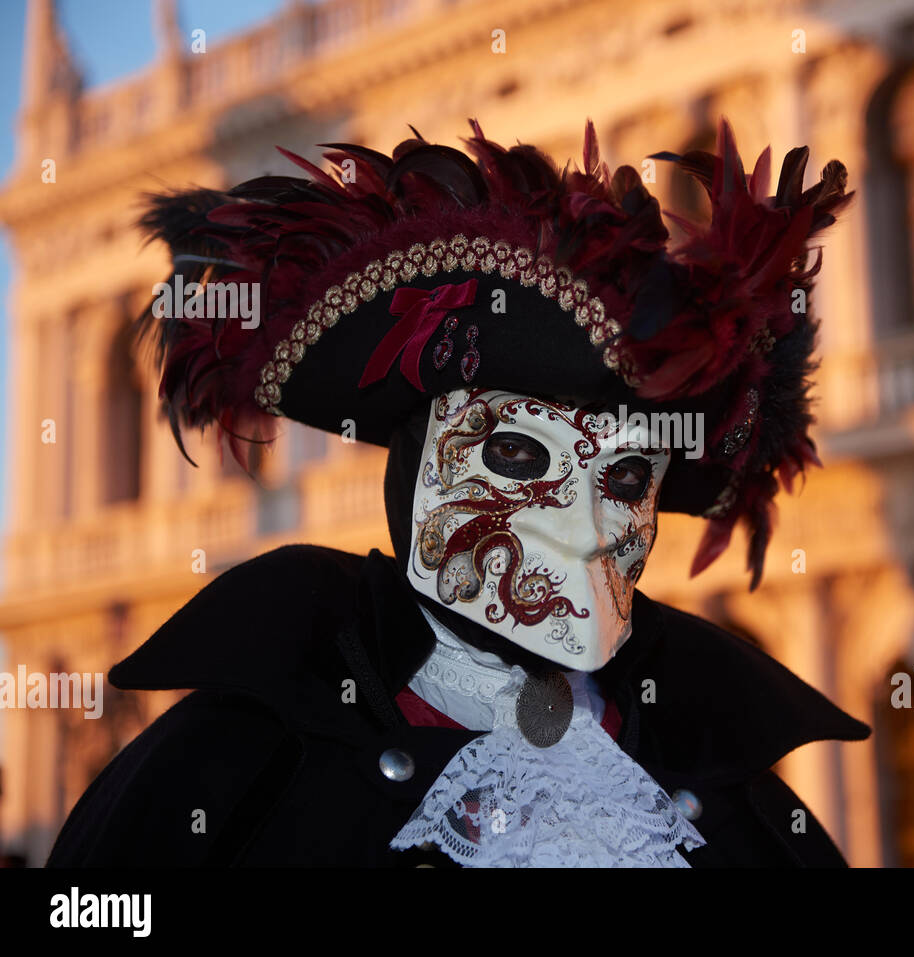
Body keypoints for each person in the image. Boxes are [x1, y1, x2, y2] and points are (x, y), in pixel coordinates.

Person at [46, 118, 870, 867]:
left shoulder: (722, 785)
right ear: (417, 471)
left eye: (622, 479)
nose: (584, 527)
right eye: (517, 452)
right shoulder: (238, 770)